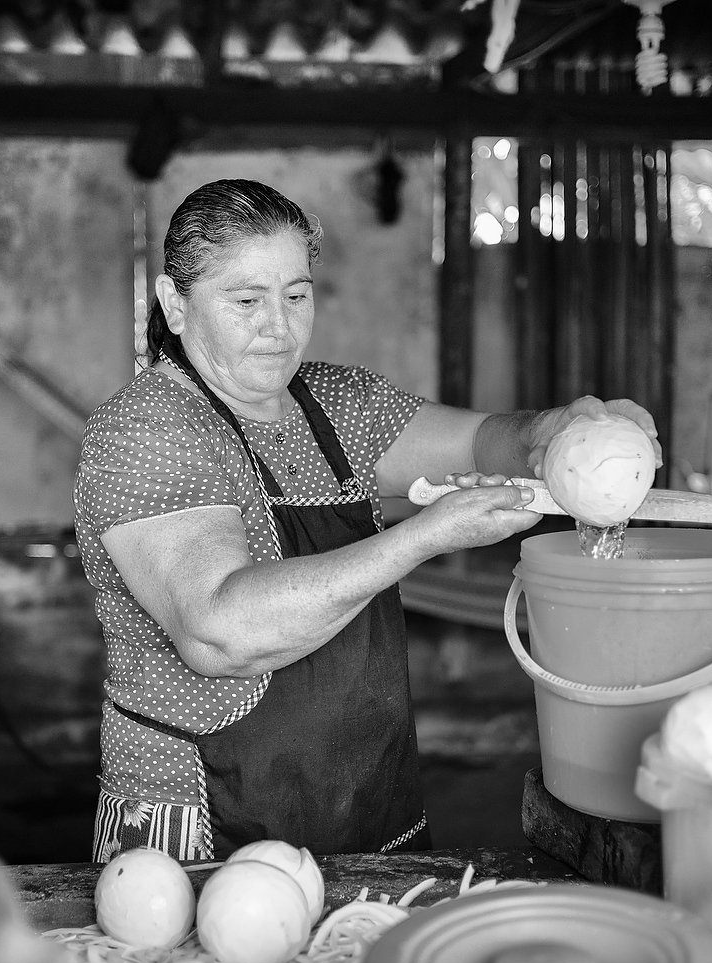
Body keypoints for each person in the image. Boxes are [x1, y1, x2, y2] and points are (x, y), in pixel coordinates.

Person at [74, 178, 660, 862]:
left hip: (367, 804)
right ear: (176, 304)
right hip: (203, 823)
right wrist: (424, 537)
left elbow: (482, 442)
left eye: (296, 296)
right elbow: (219, 631)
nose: (279, 326)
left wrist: (553, 433)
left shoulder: (339, 404)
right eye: (246, 301)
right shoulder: (146, 429)